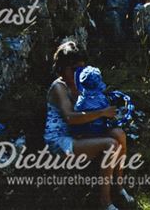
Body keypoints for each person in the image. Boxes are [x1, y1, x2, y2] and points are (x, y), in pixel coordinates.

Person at [46, 41, 134, 210]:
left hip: (81, 131)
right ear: (62, 68)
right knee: (110, 145)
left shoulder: (81, 84)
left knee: (119, 134)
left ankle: (119, 186)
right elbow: (70, 118)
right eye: (74, 69)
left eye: (81, 68)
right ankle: (105, 202)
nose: (78, 73)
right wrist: (102, 113)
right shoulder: (59, 87)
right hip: (61, 140)